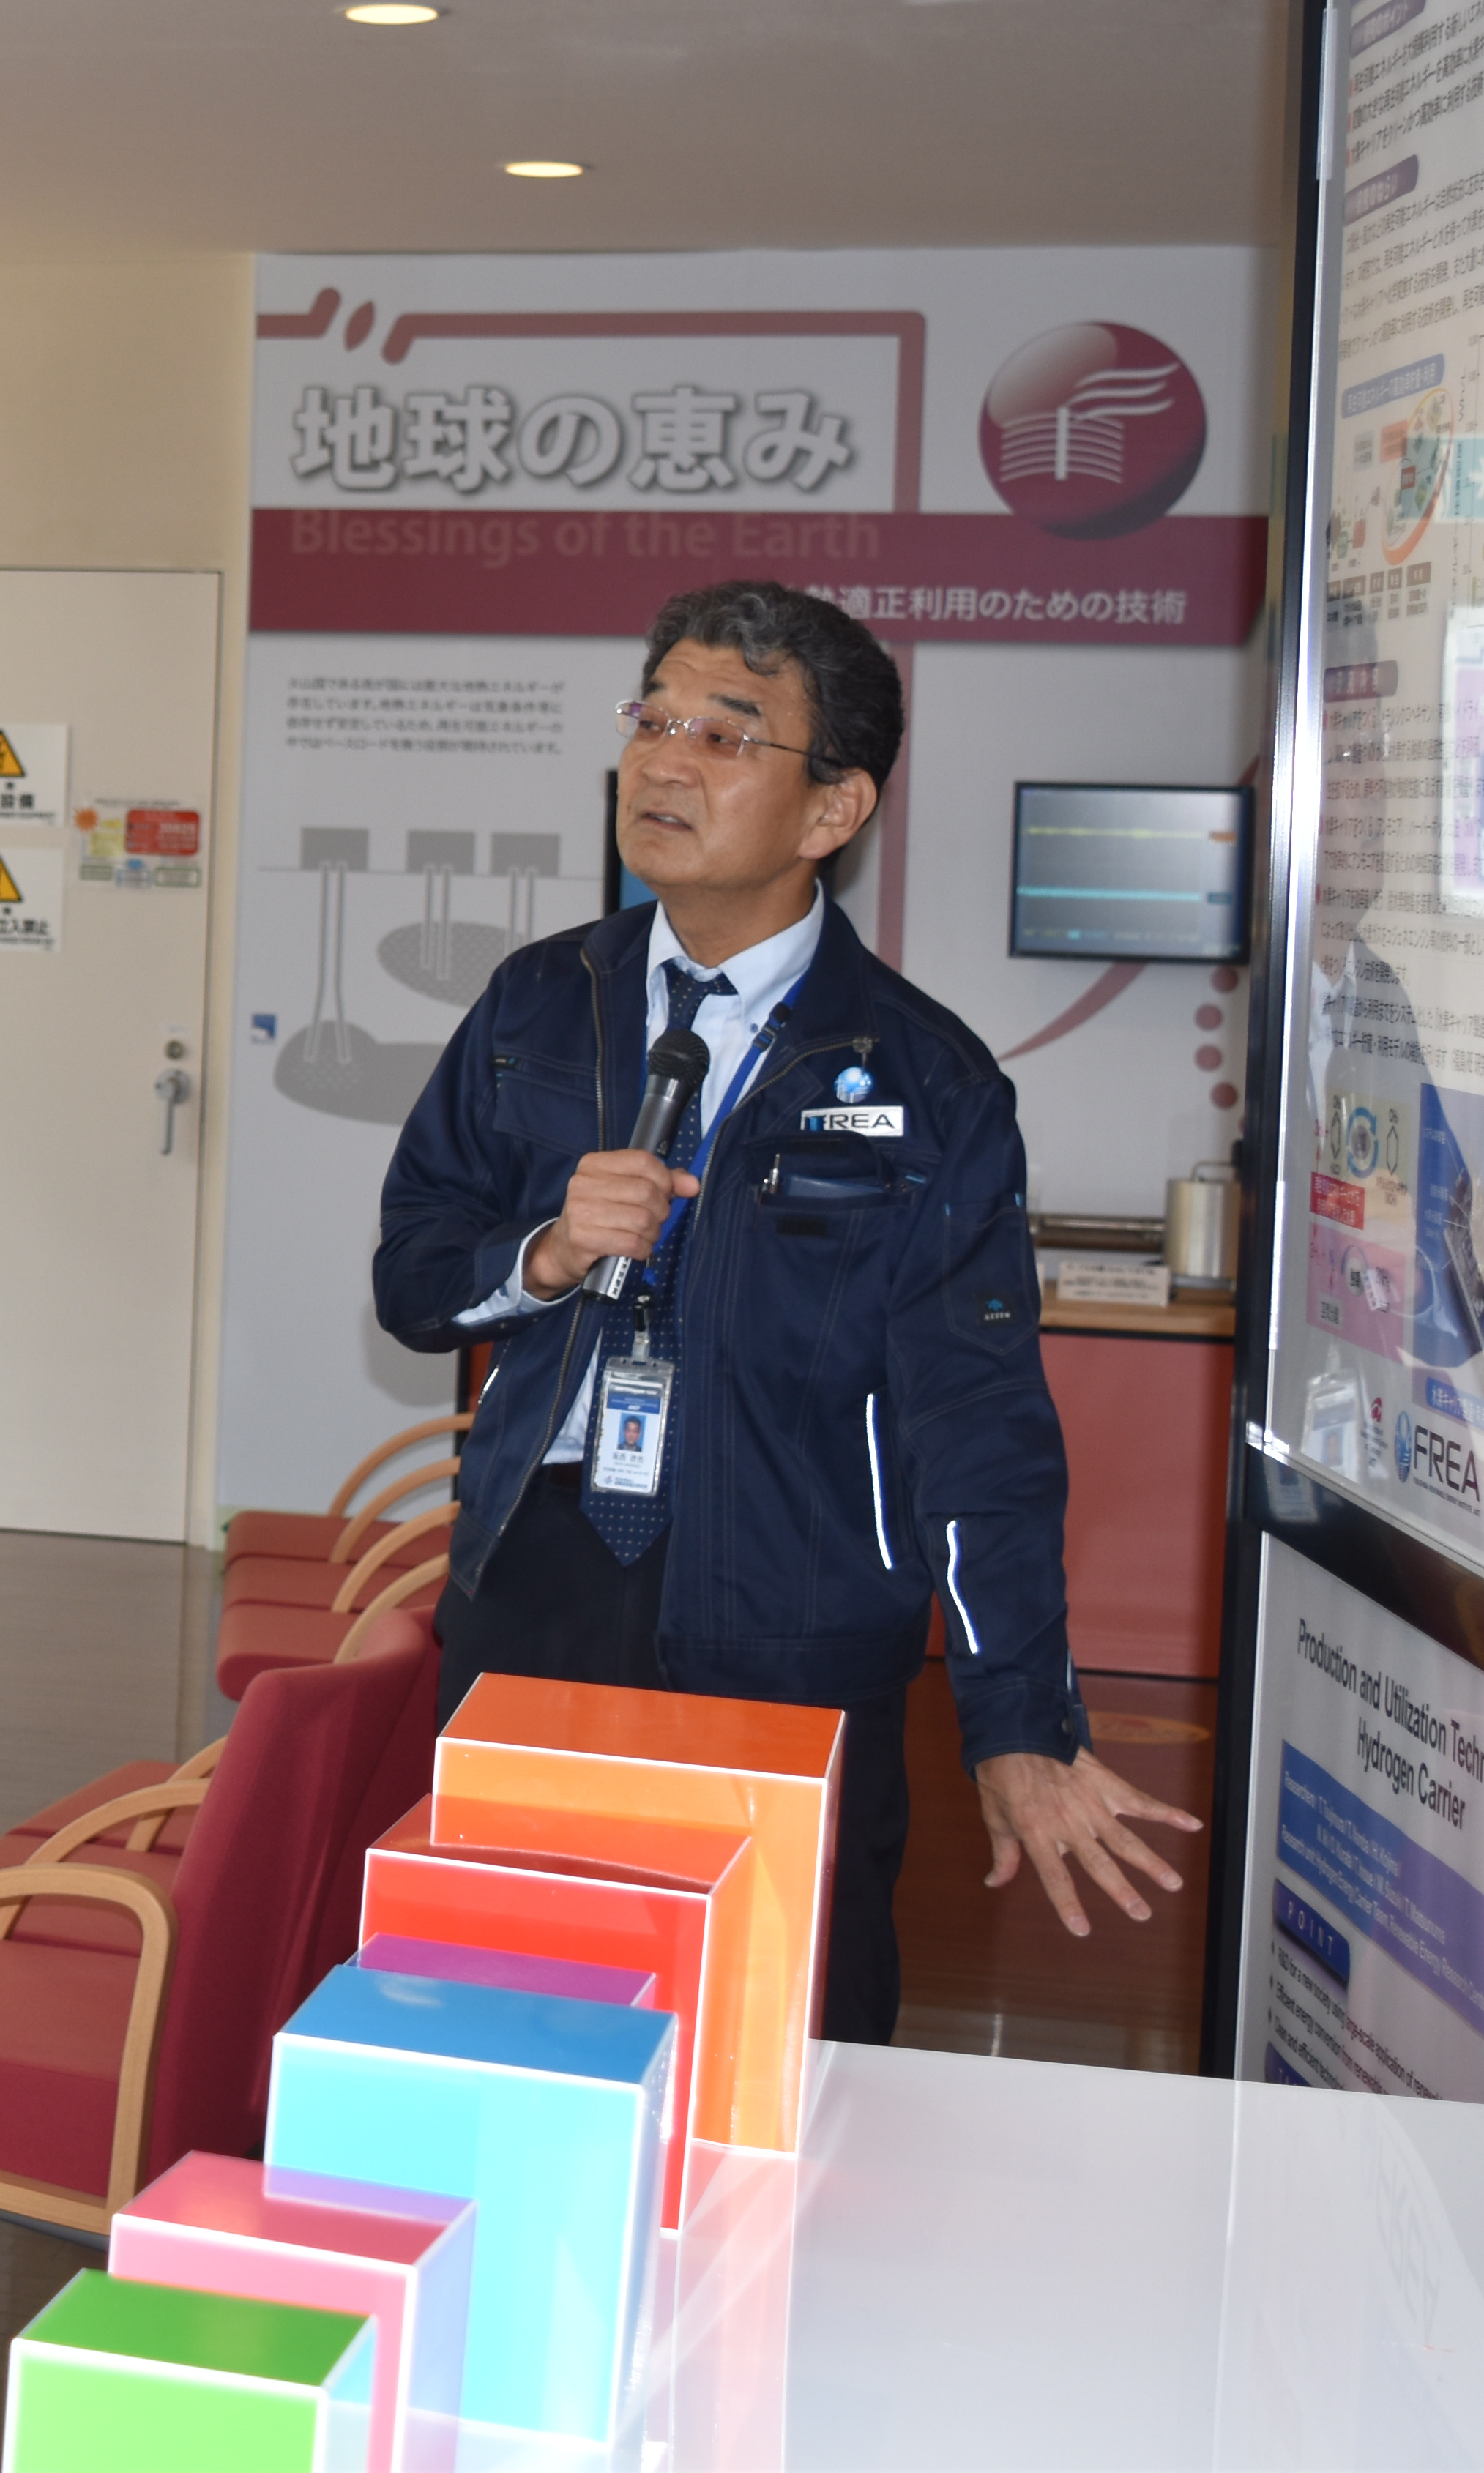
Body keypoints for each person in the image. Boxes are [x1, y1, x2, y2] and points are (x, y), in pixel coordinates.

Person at [373, 579, 1198, 2043]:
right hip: (542, 1588)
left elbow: (979, 1423)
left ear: (831, 809)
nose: (665, 760)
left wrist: (1018, 1719)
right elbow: (413, 1276)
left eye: (727, 733)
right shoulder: (531, 1008)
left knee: (773, 2045)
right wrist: (548, 1251)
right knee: (495, 2022)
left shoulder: (926, 1080)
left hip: (792, 1621)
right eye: (654, 717)